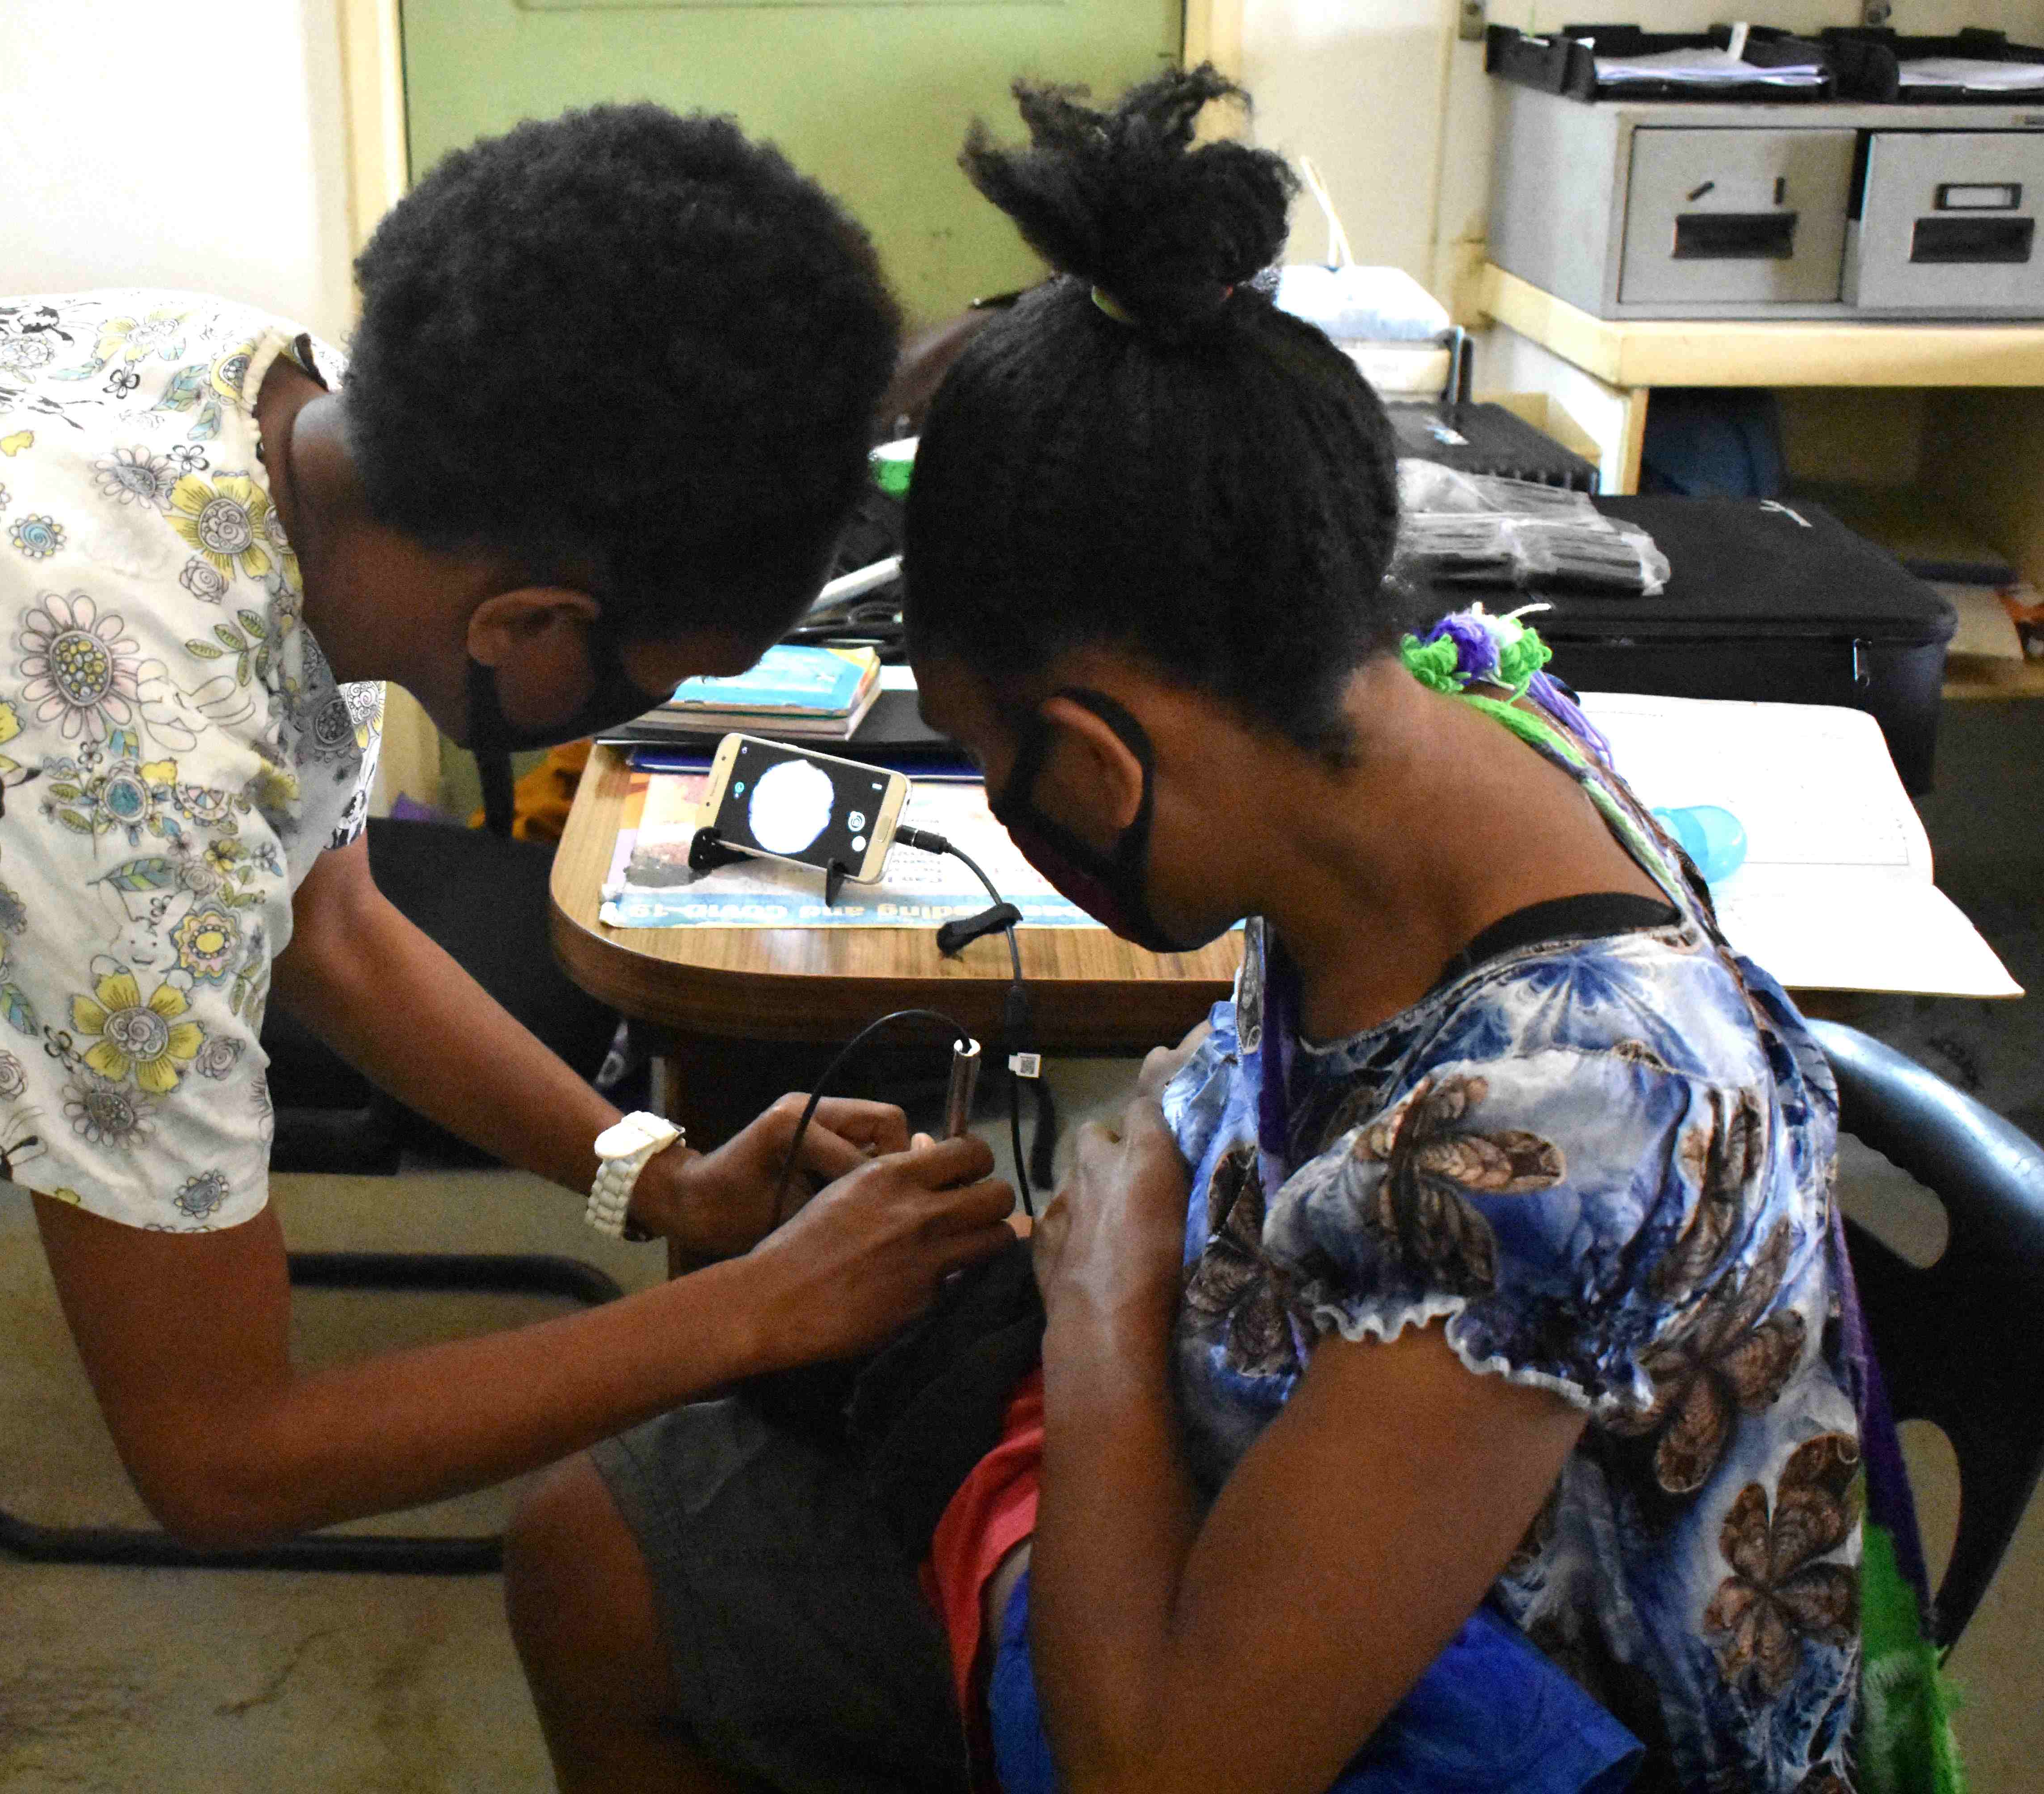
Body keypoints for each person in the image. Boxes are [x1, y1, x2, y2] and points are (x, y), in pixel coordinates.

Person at [0, 105, 1019, 1790]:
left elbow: (324, 922)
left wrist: (663, 1179)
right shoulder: (108, 748)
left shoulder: (286, 423)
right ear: (529, 630)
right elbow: (219, 1456)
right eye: (652, 684)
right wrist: (750, 1317)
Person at [506, 70, 1861, 1794]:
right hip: (1283, 1478)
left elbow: (1167, 1771)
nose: (1012, 814)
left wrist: (1100, 1293)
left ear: (1096, 760)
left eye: (998, 771)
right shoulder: (1441, 729)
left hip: (1497, 1706)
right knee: (593, 1554)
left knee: (627, 1576)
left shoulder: (1576, 1110)